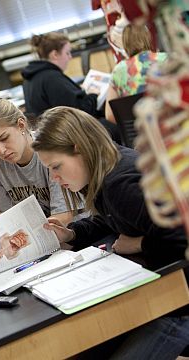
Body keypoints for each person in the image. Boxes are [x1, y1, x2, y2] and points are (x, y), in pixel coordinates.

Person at [32, 106, 189, 359]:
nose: (55, 177)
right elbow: (111, 220)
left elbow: (182, 236)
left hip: (178, 302)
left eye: (56, 166)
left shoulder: (120, 184)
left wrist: (140, 243)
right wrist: (71, 235)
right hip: (162, 293)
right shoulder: (107, 168)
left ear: (78, 148)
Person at [0, 98, 81, 259]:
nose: (1, 150)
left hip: (75, 241)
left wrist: (11, 242)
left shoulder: (48, 149)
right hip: (33, 246)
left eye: (4, 138)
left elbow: (63, 217)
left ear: (21, 125)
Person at [21, 32, 99, 118]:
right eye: (67, 53)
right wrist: (93, 95)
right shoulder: (52, 78)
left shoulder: (31, 77)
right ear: (55, 55)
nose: (70, 57)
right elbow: (82, 113)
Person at [105, 23, 167, 123]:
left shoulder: (118, 70)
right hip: (172, 125)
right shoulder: (165, 59)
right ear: (149, 37)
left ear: (125, 44)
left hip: (139, 133)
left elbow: (109, 115)